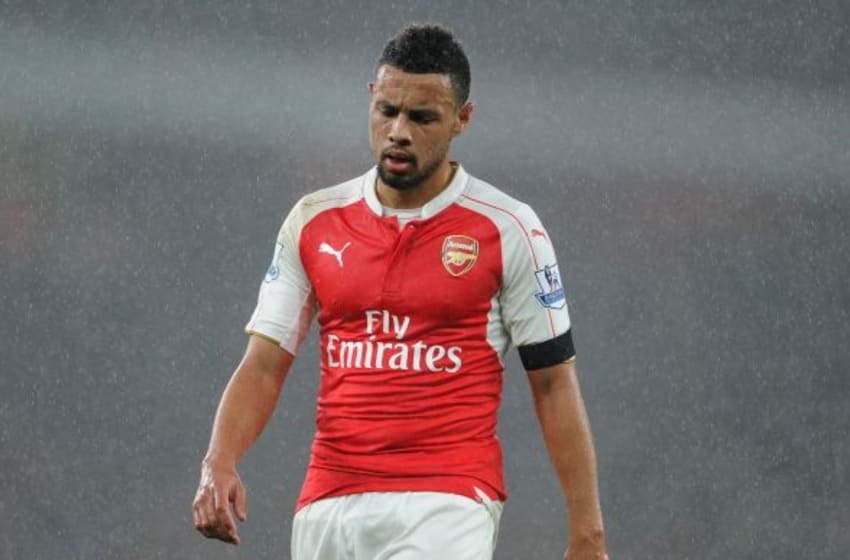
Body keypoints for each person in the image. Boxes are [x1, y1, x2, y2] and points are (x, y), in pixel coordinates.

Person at [193, 23, 608, 560]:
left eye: (422, 117)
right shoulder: (313, 221)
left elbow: (553, 383)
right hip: (328, 502)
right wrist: (219, 459)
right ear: (370, 99)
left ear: (463, 119)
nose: (399, 131)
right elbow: (264, 364)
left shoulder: (507, 229)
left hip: (446, 500)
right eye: (388, 110)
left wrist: (587, 532)